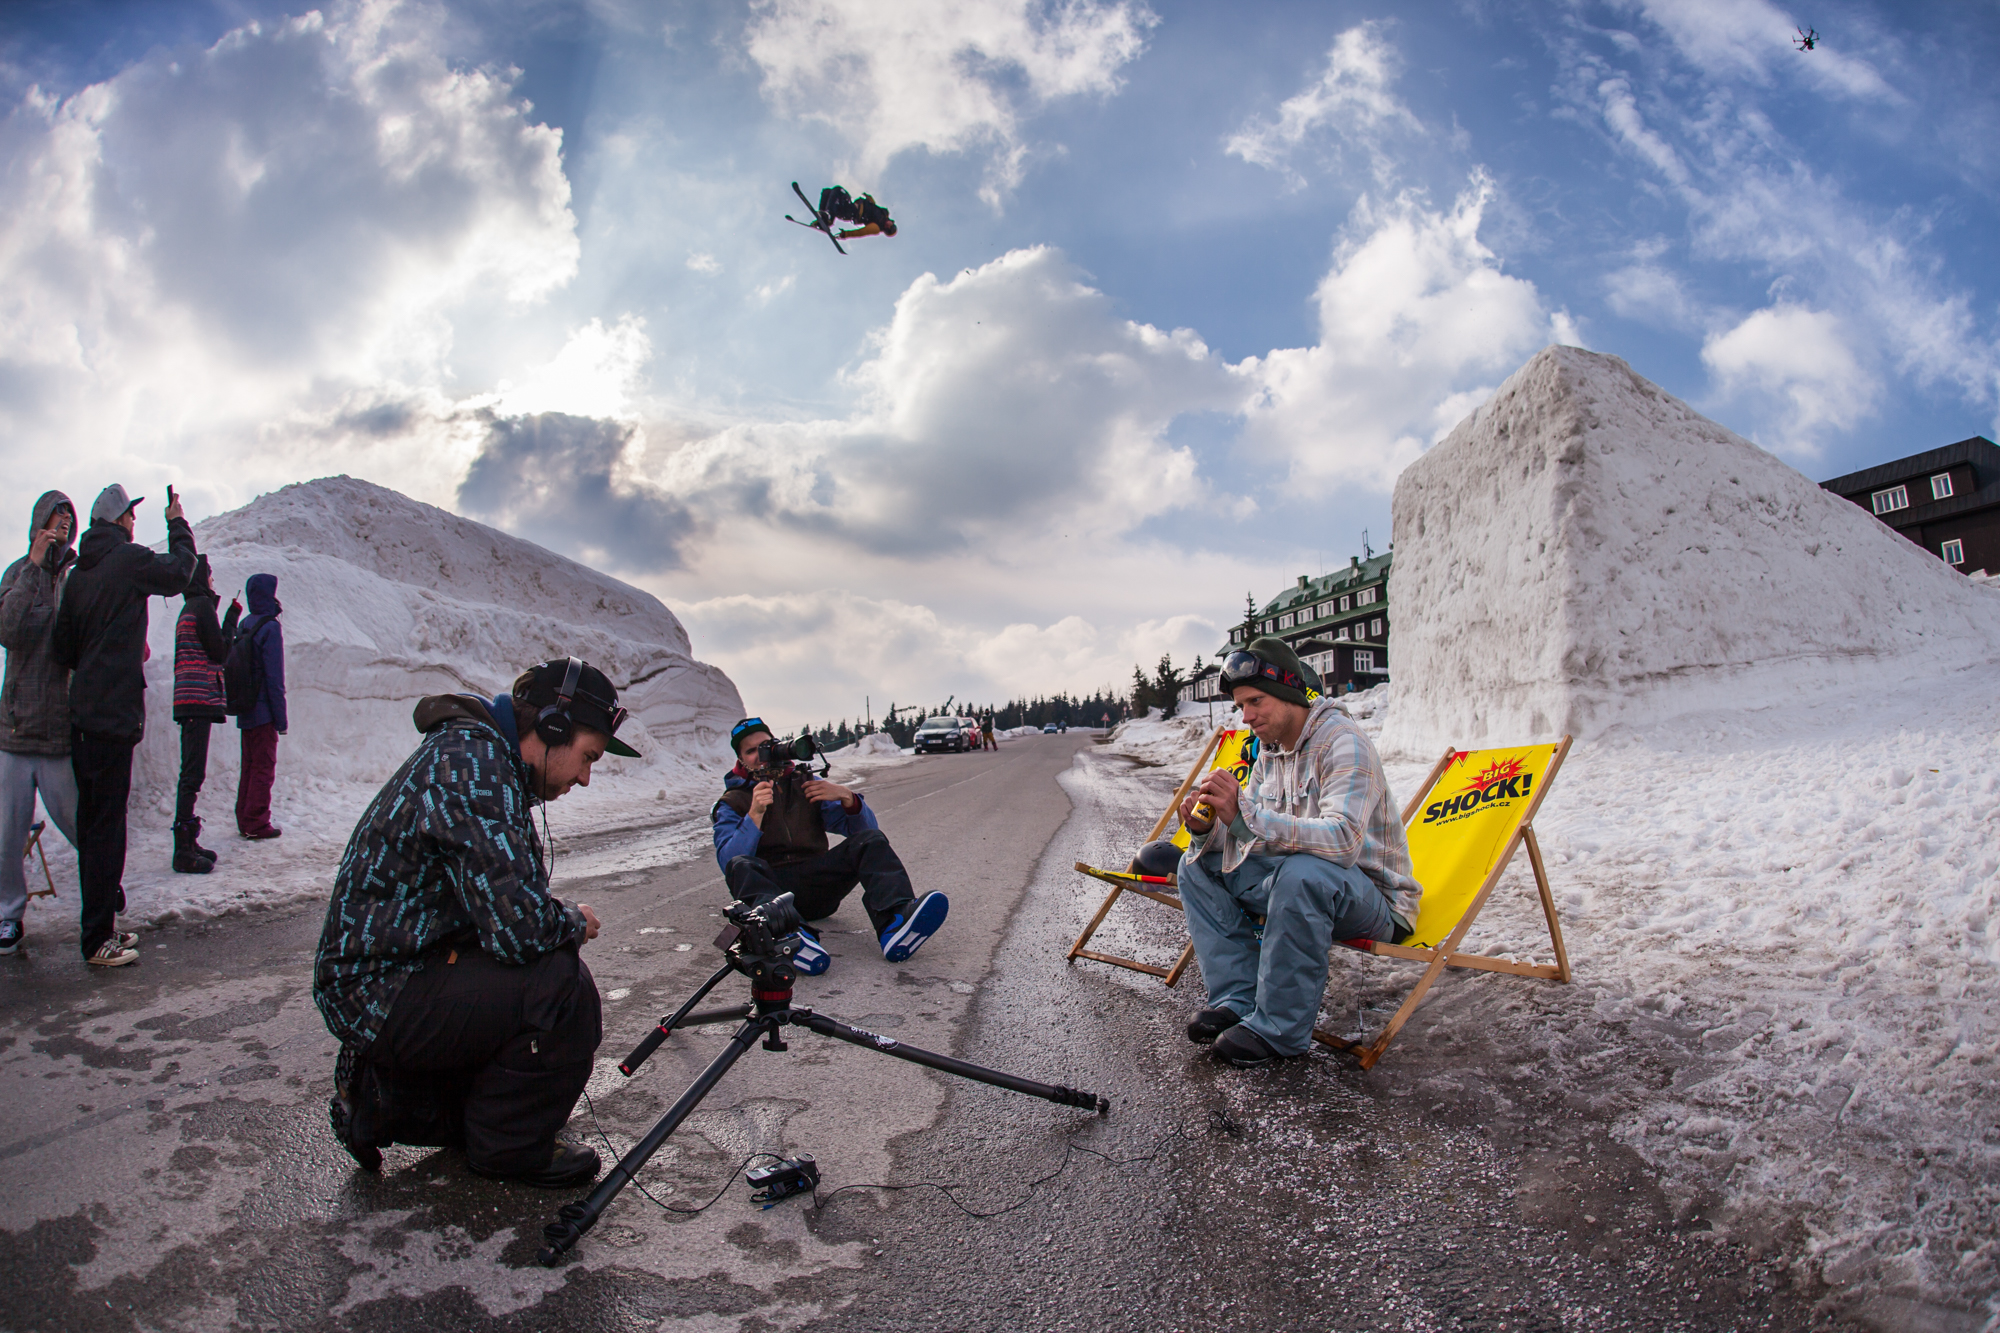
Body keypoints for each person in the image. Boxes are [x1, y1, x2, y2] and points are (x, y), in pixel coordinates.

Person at [314, 656, 639, 1187]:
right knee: (559, 986)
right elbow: (520, 930)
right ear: (552, 728)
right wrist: (573, 921)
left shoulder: (480, 759)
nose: (584, 777)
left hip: (392, 976)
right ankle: (509, 1148)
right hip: (379, 989)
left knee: (531, 982)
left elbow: (501, 907)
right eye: (587, 758)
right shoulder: (474, 767)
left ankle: (381, 1100)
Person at [1174, 637, 1422, 1068]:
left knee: (1302, 873)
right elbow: (1248, 835)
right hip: (1298, 881)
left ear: (1290, 694)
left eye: (1256, 701)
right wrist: (1209, 830)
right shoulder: (1270, 751)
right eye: (1240, 705)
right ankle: (1238, 998)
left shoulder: (1345, 742)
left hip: (1374, 900)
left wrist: (1245, 816)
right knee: (1196, 865)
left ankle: (1278, 1030)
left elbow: (1343, 840)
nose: (1247, 716)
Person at [51, 484, 197, 967]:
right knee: (109, 829)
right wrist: (177, 521)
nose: (136, 522)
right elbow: (179, 573)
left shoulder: (79, 574)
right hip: (113, 716)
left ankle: (99, 927)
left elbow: (64, 649)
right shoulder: (128, 559)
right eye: (132, 515)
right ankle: (97, 941)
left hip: (84, 716)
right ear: (120, 520)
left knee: (93, 827)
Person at [713, 717, 946, 972]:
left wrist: (848, 798)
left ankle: (895, 922)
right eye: (751, 750)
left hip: (818, 888)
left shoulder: (805, 784)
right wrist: (754, 814)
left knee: (870, 840)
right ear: (741, 760)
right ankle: (789, 937)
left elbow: (867, 832)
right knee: (742, 865)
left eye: (766, 745)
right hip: (772, 898)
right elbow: (729, 862)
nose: (761, 754)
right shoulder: (732, 802)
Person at [0, 492, 81, 956]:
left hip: (56, 729)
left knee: (76, 821)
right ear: (39, 523)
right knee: (9, 834)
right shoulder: (17, 572)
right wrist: (33, 565)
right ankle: (10, 915)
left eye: (70, 516)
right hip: (14, 729)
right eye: (58, 515)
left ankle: (100, 890)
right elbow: (8, 630)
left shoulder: (72, 579)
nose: (65, 523)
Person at [171, 556, 240, 872]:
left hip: (187, 698)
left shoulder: (189, 608)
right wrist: (231, 617)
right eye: (210, 576)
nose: (213, 581)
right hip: (198, 699)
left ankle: (188, 839)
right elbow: (221, 651)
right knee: (193, 773)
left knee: (190, 770)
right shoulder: (201, 607)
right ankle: (183, 849)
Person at [816, 185, 898, 240]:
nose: (887, 225)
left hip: (850, 212)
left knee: (838, 190)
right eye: (890, 226)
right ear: (892, 222)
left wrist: (846, 234)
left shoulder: (876, 228)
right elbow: (873, 208)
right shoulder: (884, 213)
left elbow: (861, 232)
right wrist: (869, 198)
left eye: (887, 229)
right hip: (849, 208)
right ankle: (823, 218)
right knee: (827, 192)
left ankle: (829, 217)